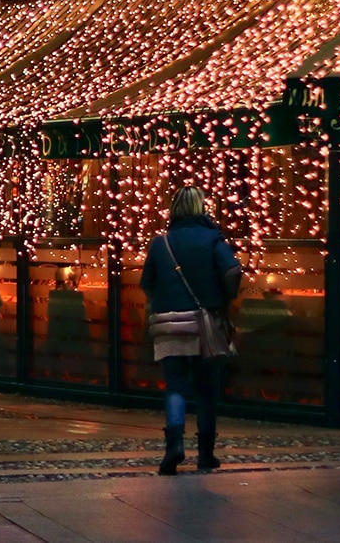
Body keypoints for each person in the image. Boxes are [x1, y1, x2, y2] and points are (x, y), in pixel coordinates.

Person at [140, 185, 242, 475]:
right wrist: (224, 297)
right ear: (201, 207)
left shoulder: (161, 242)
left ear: (173, 209)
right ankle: (205, 453)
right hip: (203, 324)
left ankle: (174, 445)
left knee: (175, 386)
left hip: (169, 324)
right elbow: (232, 270)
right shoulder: (212, 238)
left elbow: (148, 284)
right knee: (206, 389)